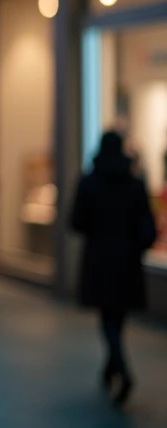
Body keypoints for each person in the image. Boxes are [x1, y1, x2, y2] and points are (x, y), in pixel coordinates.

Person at [71, 131, 158, 408]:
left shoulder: (90, 182)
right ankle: (110, 369)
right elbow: (147, 223)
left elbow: (77, 222)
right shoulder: (134, 183)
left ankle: (121, 369)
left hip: (100, 258)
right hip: (128, 258)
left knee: (108, 317)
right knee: (116, 316)